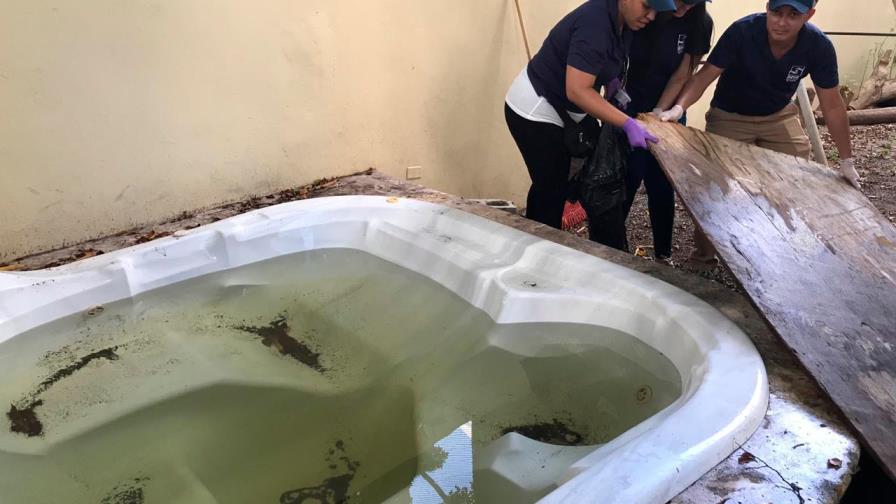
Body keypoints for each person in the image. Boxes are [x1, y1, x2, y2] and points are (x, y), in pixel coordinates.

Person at [656, 0, 858, 268]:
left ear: (809, 15)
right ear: (767, 8)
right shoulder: (743, 31)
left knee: (801, 176)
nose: (781, 22)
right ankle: (704, 257)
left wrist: (846, 161)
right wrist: (679, 107)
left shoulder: (818, 46)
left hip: (778, 115)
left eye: (793, 15)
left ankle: (788, 251)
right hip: (730, 115)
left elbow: (832, 105)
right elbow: (705, 76)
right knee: (714, 187)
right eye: (776, 13)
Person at [504, 0, 677, 232]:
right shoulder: (594, 24)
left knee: (559, 181)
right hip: (536, 109)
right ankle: (541, 248)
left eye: (657, 10)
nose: (652, 16)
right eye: (647, 6)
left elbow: (600, 65)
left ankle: (547, 236)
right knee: (551, 187)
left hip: (566, 109)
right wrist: (627, 123)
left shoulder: (623, 21)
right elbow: (577, 90)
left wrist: (611, 81)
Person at [621, 0, 714, 263]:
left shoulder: (700, 23)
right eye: (682, 1)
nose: (684, 9)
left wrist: (660, 112)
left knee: (661, 181)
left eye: (693, 3)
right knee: (629, 174)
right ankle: (613, 244)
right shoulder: (644, 13)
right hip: (628, 105)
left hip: (666, 112)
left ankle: (663, 253)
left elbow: (682, 74)